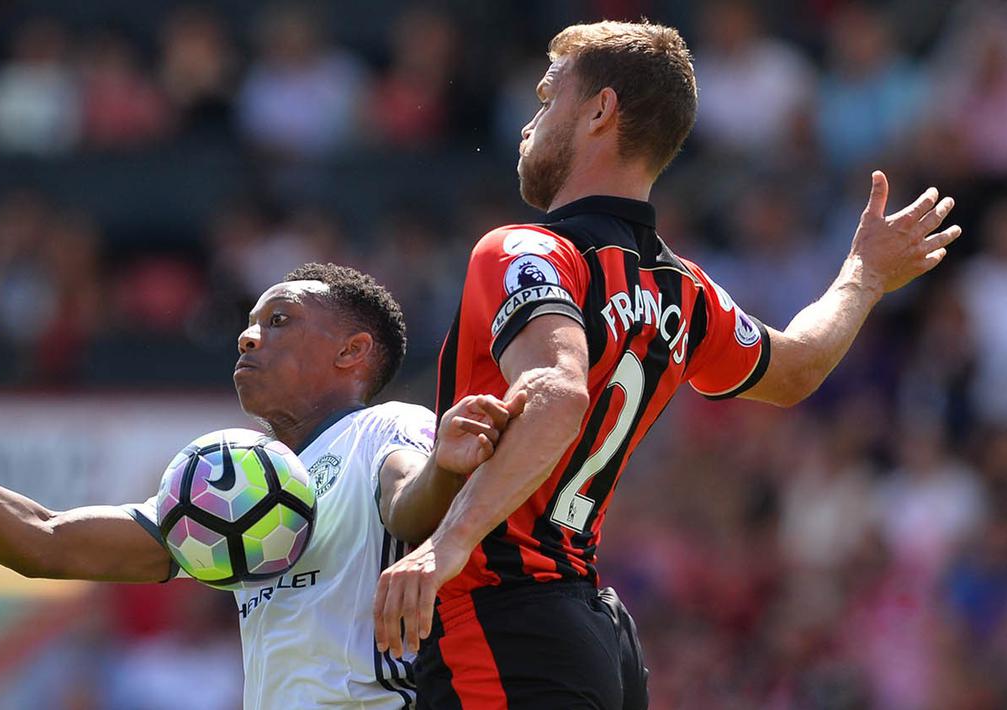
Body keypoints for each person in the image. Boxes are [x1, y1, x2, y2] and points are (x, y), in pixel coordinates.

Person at [374, 20, 961, 709]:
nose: (529, 122)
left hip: (502, 618)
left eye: (547, 96)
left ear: (599, 110)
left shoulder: (520, 250)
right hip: (592, 633)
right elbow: (796, 367)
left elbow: (559, 395)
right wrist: (861, 277)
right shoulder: (682, 289)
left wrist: (449, 543)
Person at [0, 262, 521, 709]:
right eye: (248, 324)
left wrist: (445, 470)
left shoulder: (386, 428)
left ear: (352, 351)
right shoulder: (239, 488)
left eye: (278, 322)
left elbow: (409, 502)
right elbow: (45, 543)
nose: (248, 338)